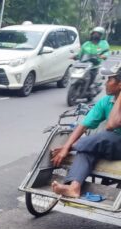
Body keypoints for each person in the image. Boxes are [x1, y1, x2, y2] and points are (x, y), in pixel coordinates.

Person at [51, 63, 121, 198]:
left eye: (110, 80)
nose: (106, 83)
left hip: (116, 144)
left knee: (104, 136)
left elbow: (111, 124)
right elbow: (83, 125)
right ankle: (74, 187)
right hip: (110, 145)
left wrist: (68, 147)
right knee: (86, 150)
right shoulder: (106, 101)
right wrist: (66, 146)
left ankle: (75, 147)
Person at [76, 26, 109, 94]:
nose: (95, 35)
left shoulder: (103, 43)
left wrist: (104, 56)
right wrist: (75, 56)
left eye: (98, 34)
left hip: (95, 65)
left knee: (92, 76)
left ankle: (90, 87)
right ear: (92, 34)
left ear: (101, 35)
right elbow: (80, 53)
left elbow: (106, 52)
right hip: (84, 64)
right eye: (94, 33)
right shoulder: (86, 44)